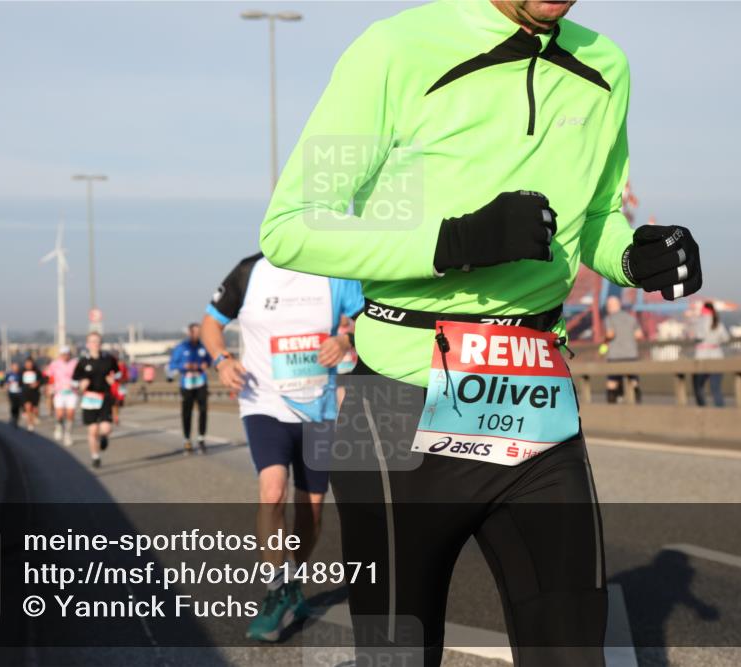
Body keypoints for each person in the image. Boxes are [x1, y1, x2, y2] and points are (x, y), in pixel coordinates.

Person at [257, 1, 703, 664]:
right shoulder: (395, 48)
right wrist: (455, 240)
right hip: (392, 401)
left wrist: (636, 255)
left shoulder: (606, 65)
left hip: (532, 390)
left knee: (575, 649)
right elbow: (291, 225)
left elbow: (599, 215)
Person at [201, 253, 364, 642]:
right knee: (271, 490)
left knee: (311, 509)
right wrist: (222, 360)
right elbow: (211, 323)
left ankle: (292, 581)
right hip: (263, 401)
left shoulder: (335, 272)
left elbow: (368, 317)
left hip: (319, 407)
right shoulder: (248, 271)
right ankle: (277, 589)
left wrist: (345, 339)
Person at [72, 331, 119, 468]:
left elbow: (119, 373)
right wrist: (81, 384)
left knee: (106, 428)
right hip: (89, 398)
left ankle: (104, 438)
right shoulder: (83, 362)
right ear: (87, 344)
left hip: (104, 397)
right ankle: (95, 456)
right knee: (92, 430)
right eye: (92, 341)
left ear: (101, 343)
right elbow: (74, 380)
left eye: (97, 341)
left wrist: (114, 379)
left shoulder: (108, 359)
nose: (95, 344)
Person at [168, 323, 212, 454]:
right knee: (187, 412)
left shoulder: (203, 347)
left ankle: (201, 439)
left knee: (203, 410)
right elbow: (172, 365)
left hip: (200, 381)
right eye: (195, 332)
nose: (197, 335)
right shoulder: (181, 348)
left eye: (199, 332)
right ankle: (187, 439)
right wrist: (184, 366)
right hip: (186, 383)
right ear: (190, 333)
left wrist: (206, 364)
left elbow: (210, 360)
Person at [603, 295, 644, 403]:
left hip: (615, 355)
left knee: (612, 381)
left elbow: (610, 334)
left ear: (610, 306)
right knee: (633, 380)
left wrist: (605, 341)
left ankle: (611, 408)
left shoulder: (609, 318)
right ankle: (637, 402)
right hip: (631, 354)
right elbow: (639, 335)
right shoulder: (631, 318)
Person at [692, 301, 730, 407]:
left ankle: (702, 409)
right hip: (717, 356)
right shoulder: (718, 323)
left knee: (698, 386)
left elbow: (698, 336)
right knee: (716, 388)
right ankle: (720, 411)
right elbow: (726, 338)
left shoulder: (700, 321)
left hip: (702, 358)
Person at [46, 346, 79, 445]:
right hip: (59, 392)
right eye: (63, 354)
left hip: (72, 392)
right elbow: (50, 376)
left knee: (70, 414)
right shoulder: (54, 364)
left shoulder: (75, 363)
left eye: (67, 354)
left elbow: (80, 375)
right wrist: (50, 387)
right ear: (60, 355)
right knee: (60, 414)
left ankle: (68, 434)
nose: (65, 356)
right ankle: (59, 426)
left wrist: (78, 383)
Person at [20, 357, 44, 432]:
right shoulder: (22, 371)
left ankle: (34, 418)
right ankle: (29, 424)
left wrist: (37, 383)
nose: (29, 365)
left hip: (35, 393)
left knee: (34, 410)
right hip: (25, 392)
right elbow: (19, 381)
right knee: (28, 407)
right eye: (27, 363)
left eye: (30, 363)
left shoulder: (37, 371)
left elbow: (42, 379)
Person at [2, 362, 25, 427]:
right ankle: (14, 418)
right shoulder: (9, 374)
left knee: (20, 405)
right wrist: (6, 386)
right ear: (12, 367)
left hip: (20, 393)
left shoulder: (21, 374)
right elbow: (5, 382)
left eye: (17, 367)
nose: (16, 368)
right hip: (11, 393)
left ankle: (18, 416)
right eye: (14, 367)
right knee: (13, 405)